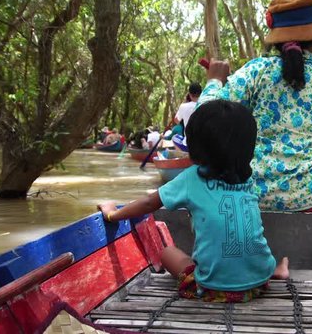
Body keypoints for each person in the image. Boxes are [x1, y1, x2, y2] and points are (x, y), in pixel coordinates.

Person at [97, 100, 289, 303]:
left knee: (167, 253)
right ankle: (275, 269)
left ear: (197, 146)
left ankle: (258, 270)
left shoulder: (192, 178)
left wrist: (113, 214)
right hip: (259, 284)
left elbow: (148, 203)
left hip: (212, 290)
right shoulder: (247, 180)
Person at [199, 0, 312, 212]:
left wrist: (214, 81)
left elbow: (204, 120)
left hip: (253, 199)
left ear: (276, 40)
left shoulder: (255, 72)